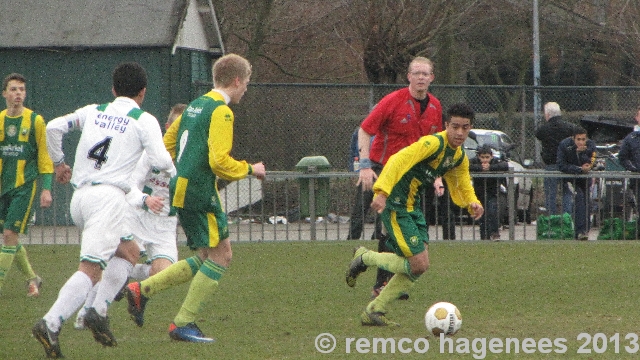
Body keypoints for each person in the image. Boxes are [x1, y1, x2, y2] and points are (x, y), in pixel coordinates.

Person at [33, 62, 175, 358]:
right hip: (109, 199)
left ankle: (98, 310)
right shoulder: (142, 119)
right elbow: (161, 161)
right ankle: (51, 322)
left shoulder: (94, 110)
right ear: (143, 93)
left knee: (130, 252)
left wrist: (60, 163)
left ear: (113, 89)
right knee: (91, 269)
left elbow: (53, 127)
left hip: (80, 198)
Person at [124, 53, 266, 343]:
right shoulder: (221, 111)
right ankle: (182, 323)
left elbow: (166, 145)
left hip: (182, 187)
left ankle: (142, 289)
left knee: (206, 255)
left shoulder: (193, 107)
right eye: (247, 82)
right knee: (223, 256)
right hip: (200, 190)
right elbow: (218, 161)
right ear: (236, 80)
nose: (247, 89)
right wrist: (251, 169)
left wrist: (182, 168)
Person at [345, 103, 483, 326]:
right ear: (445, 125)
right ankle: (365, 257)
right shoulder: (432, 143)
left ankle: (374, 310)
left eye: (465, 128)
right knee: (418, 264)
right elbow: (398, 160)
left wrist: (472, 202)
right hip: (395, 204)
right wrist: (382, 192)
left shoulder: (458, 156)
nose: (459, 133)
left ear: (470, 128)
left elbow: (461, 181)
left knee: (420, 265)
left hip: (413, 207)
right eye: (455, 127)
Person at [73, 106, 183, 329]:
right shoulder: (150, 154)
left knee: (165, 273)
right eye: (178, 128)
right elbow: (130, 184)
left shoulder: (189, 158)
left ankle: (127, 282)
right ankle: (85, 312)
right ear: (168, 128)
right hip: (138, 217)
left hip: (165, 226)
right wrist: (145, 200)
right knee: (117, 261)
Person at [355, 56, 446, 299]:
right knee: (381, 227)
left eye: (425, 74)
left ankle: (380, 277)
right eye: (416, 73)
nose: (420, 78)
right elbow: (365, 130)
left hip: (413, 178)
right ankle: (378, 280)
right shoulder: (393, 101)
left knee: (400, 230)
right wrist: (364, 165)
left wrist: (436, 176)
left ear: (432, 78)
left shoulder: (435, 107)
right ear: (408, 76)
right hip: (384, 170)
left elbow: (434, 147)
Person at [0, 73, 53, 297]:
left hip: (24, 187)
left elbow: (44, 156)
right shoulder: (0, 119)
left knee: (10, 233)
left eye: (21, 89)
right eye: (13, 89)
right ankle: (33, 278)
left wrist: (46, 188)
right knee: (8, 235)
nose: (18, 94)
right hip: (3, 187)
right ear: (5, 94)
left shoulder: (35, 121)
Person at [535, 102, 578, 215]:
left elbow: (538, 134)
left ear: (547, 114)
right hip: (566, 165)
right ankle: (567, 218)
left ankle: (551, 219)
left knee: (550, 194)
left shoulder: (544, 129)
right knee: (567, 191)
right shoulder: (570, 127)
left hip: (551, 164)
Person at [557, 127, 596, 240]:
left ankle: (584, 231)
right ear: (572, 138)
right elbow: (561, 165)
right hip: (570, 180)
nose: (581, 142)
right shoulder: (564, 145)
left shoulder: (591, 145)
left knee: (586, 204)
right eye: (578, 139)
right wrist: (578, 169)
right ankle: (578, 231)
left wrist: (583, 155)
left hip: (584, 180)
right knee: (578, 199)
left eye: (583, 139)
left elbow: (591, 161)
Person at [469, 144, 508, 241]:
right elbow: (468, 166)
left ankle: (495, 233)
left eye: (487, 157)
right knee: (482, 216)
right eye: (482, 157)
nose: (485, 160)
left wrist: (490, 167)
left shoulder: (495, 162)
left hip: (492, 192)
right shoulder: (474, 161)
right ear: (478, 157)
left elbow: (505, 165)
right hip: (479, 193)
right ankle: (484, 237)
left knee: (492, 211)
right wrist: (480, 168)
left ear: (491, 156)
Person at [613, 106, 640, 237]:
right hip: (637, 179)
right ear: (636, 118)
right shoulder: (630, 139)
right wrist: (633, 168)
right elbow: (623, 157)